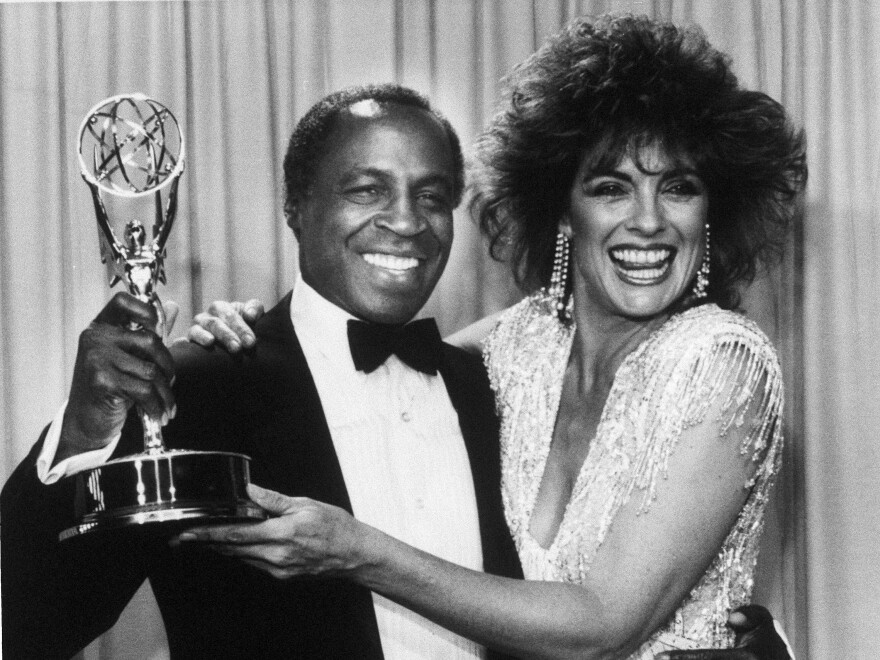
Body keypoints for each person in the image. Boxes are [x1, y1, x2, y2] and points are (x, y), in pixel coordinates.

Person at [181, 14, 806, 660]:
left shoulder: (722, 362)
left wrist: (356, 549)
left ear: (711, 212)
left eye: (678, 188)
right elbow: (369, 368)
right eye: (610, 187)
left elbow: (602, 626)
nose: (647, 222)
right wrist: (258, 333)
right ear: (563, 211)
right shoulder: (516, 347)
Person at [1, 84, 522, 659]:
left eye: (432, 196)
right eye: (368, 189)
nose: (406, 221)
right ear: (296, 207)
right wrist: (81, 432)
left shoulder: (492, 389)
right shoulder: (196, 388)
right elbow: (28, 627)